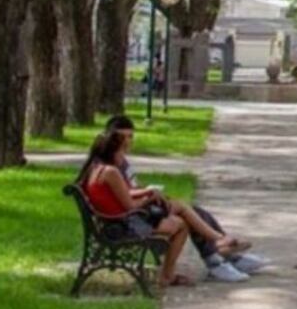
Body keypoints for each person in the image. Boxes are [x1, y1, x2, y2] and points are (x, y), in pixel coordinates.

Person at [105, 116, 267, 282]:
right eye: (122, 137)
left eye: (130, 136)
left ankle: (226, 257)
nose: (127, 142)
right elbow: (126, 197)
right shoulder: (111, 166)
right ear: (110, 138)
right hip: (131, 218)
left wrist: (147, 191)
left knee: (195, 211)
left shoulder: (120, 161)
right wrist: (147, 194)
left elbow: (129, 189)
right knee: (184, 212)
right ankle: (217, 253)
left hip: (138, 211)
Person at [77, 130, 192, 287]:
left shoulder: (94, 169)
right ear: (113, 151)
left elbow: (122, 197)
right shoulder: (111, 172)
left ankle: (167, 273)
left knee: (174, 215)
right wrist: (150, 198)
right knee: (181, 225)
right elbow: (131, 206)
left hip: (110, 223)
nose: (124, 157)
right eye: (122, 151)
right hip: (123, 226)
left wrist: (146, 194)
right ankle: (167, 276)